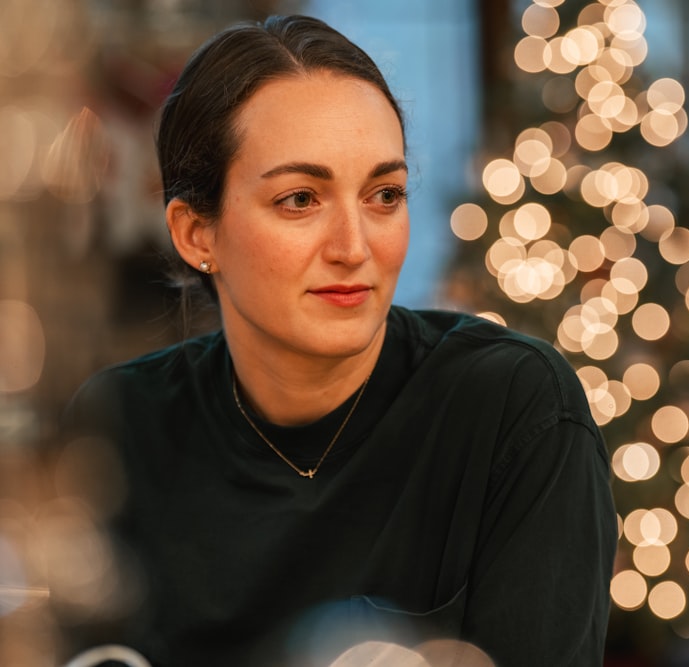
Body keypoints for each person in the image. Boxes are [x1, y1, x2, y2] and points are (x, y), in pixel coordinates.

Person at [59, 14, 617, 667]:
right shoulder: (118, 426)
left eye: (384, 194)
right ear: (195, 233)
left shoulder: (512, 409)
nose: (355, 247)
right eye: (300, 199)